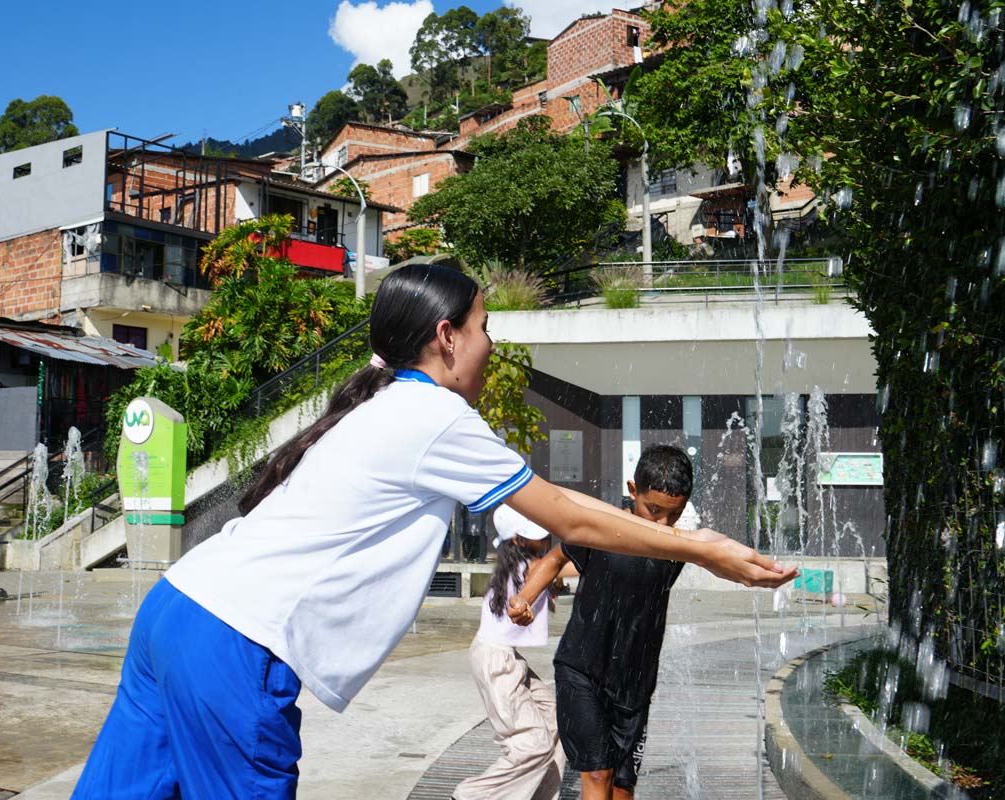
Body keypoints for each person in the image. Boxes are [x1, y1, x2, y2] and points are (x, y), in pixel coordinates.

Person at [72, 264, 796, 799]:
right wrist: (702, 545)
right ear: (446, 338)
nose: (489, 346)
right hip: (232, 646)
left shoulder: (379, 403)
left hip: (175, 607)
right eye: (484, 329)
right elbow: (570, 516)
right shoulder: (432, 413)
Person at [508, 444, 703, 800]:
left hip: (634, 684)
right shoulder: (604, 527)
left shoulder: (679, 547)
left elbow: (722, 554)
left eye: (672, 515)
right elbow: (554, 559)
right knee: (598, 774)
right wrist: (524, 598)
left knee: (622, 788)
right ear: (633, 491)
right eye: (653, 510)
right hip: (582, 669)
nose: (661, 523)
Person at [453, 504, 573, 800]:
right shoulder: (529, 567)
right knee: (531, 743)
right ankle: (470, 795)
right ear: (518, 541)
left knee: (558, 726)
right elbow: (568, 564)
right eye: (537, 535)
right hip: (496, 661)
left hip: (506, 657)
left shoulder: (519, 565)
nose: (545, 539)